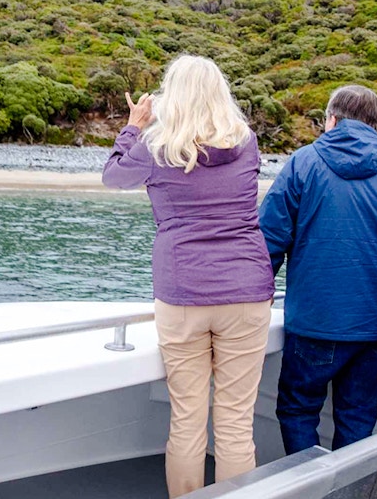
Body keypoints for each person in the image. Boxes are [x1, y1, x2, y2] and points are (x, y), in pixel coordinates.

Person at [102, 55, 275, 498]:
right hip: (246, 290)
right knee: (237, 423)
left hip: (183, 292)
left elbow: (112, 177)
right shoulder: (247, 142)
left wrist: (134, 126)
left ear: (169, 96)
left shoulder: (156, 147)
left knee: (187, 420)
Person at [258, 85, 377, 454]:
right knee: (356, 419)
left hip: (314, 321)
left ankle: (308, 488)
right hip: (375, 324)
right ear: (376, 126)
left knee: (297, 409)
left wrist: (255, 300)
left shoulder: (302, 163)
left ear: (332, 120)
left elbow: (268, 242)